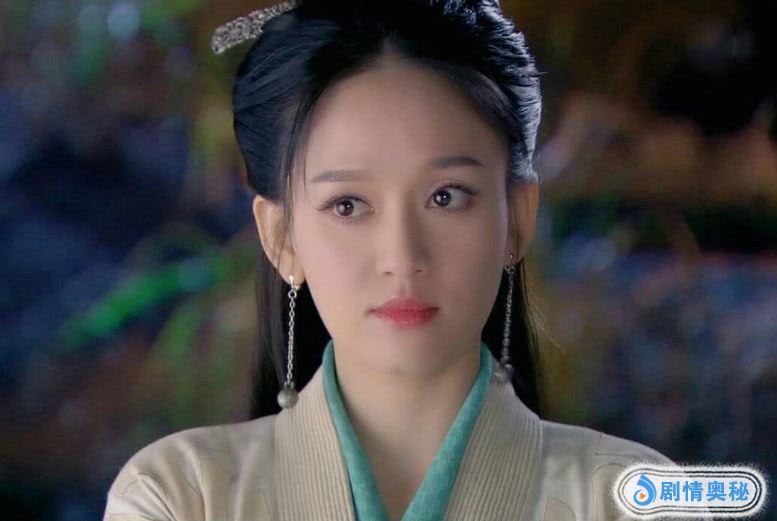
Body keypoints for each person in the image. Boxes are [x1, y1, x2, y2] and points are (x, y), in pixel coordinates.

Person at [102, 1, 681, 520]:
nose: (402, 258)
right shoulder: (181, 495)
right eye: (348, 205)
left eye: (446, 197)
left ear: (517, 219)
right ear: (281, 238)